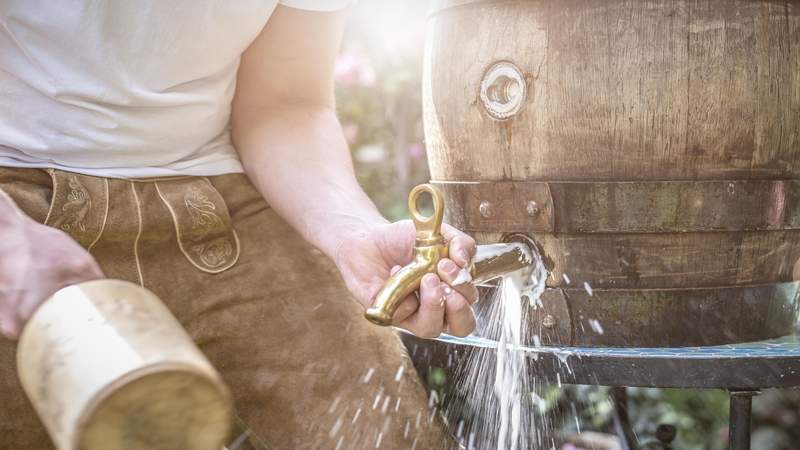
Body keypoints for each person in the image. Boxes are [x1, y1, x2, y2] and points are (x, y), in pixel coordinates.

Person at [0, 1, 479, 448]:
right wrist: (8, 239)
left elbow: (284, 103)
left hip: (222, 200)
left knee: (380, 431)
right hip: (17, 198)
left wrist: (353, 231)